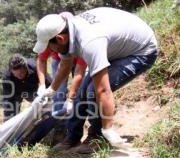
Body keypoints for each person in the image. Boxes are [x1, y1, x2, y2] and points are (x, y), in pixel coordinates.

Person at [33, 7, 158, 150]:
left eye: (50, 46)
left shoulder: (89, 42)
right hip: (115, 47)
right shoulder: (68, 32)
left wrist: (108, 128)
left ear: (60, 39)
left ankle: (98, 136)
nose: (50, 51)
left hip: (141, 50)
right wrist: (51, 90)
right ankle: (73, 136)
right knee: (81, 92)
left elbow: (103, 90)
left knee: (92, 91)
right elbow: (65, 65)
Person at [2, 53, 52, 121]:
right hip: (17, 92)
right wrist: (7, 120)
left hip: (34, 90)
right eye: (16, 75)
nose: (19, 76)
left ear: (26, 67)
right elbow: (8, 100)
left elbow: (49, 83)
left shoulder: (34, 66)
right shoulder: (7, 77)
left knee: (44, 107)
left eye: (21, 73)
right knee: (11, 113)